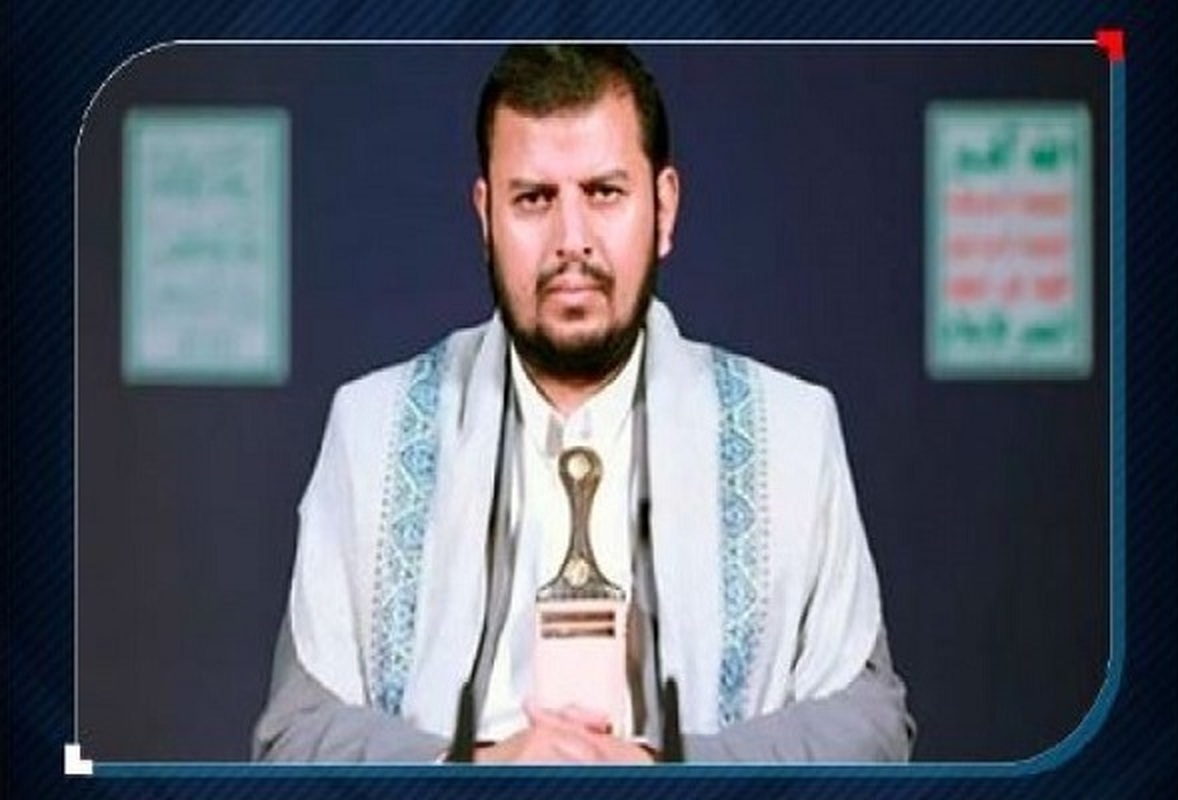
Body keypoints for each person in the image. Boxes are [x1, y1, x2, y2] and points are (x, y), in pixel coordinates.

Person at [253, 44, 914, 764]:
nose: (572, 242)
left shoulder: (792, 432)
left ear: (663, 208)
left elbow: (869, 725)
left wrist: (667, 772)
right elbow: (296, 733)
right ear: (486, 217)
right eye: (534, 199)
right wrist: (477, 768)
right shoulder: (373, 429)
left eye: (604, 193)